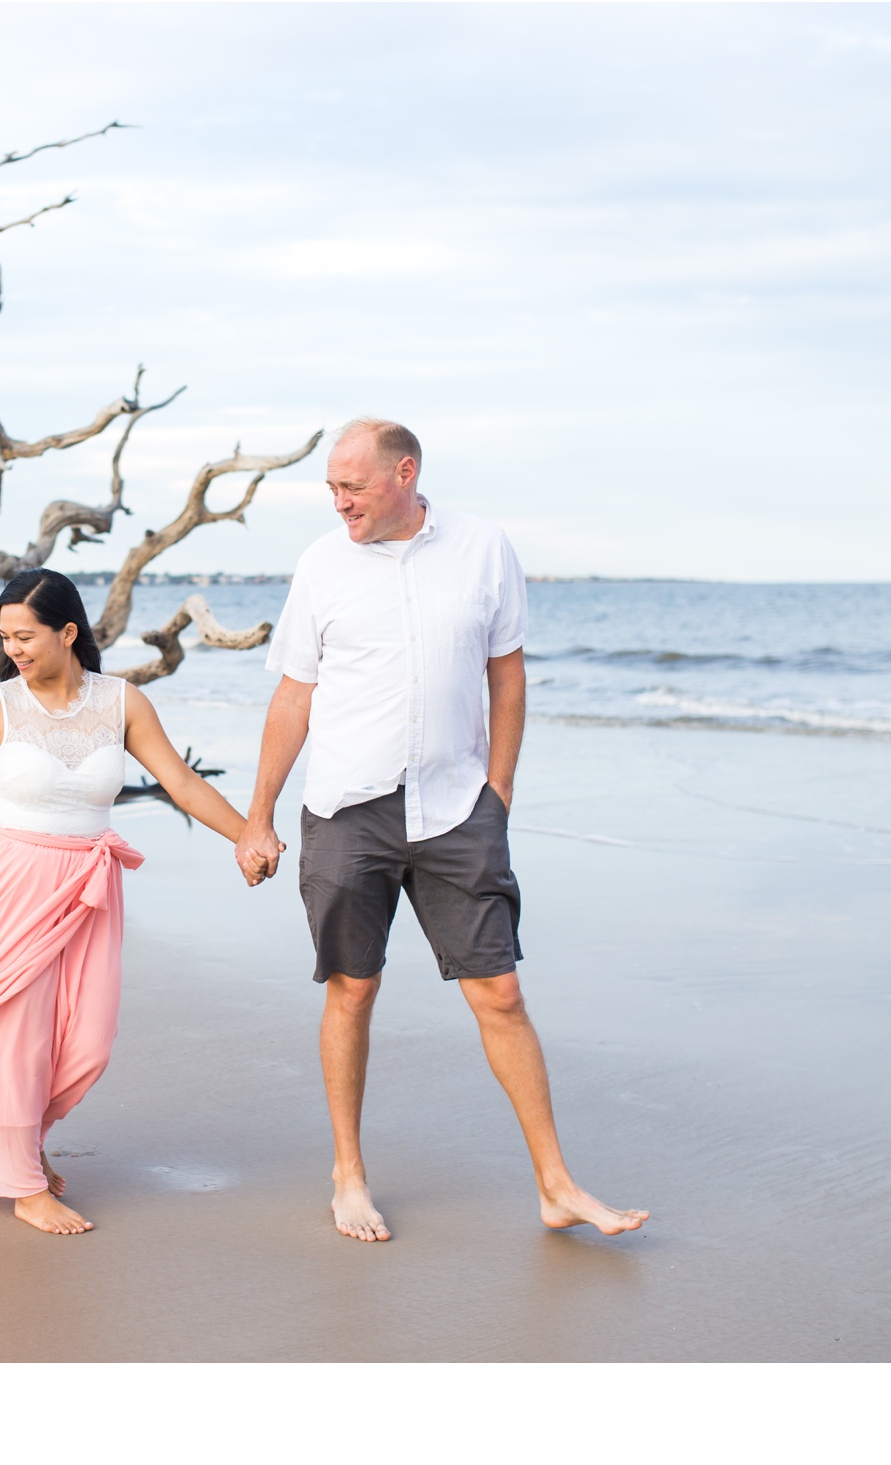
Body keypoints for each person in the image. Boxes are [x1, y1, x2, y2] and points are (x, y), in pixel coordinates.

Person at [235, 418, 648, 1243]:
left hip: (458, 809)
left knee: (501, 991)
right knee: (353, 987)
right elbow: (294, 695)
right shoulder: (322, 564)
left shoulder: (484, 548)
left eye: (351, 486)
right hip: (349, 807)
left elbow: (508, 674)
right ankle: (347, 1174)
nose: (338, 501)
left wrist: (497, 793)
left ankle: (555, 1183)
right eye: (330, 487)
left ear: (404, 473)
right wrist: (259, 815)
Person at [0, 568, 256, 1235]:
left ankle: (22, 1140)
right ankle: (23, 1179)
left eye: (26, 636)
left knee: (84, 1043)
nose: (15, 649)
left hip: (88, 889)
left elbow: (178, 780)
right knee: (13, 1036)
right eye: (6, 637)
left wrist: (249, 836)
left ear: (68, 632)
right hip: (7, 881)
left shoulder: (123, 701)